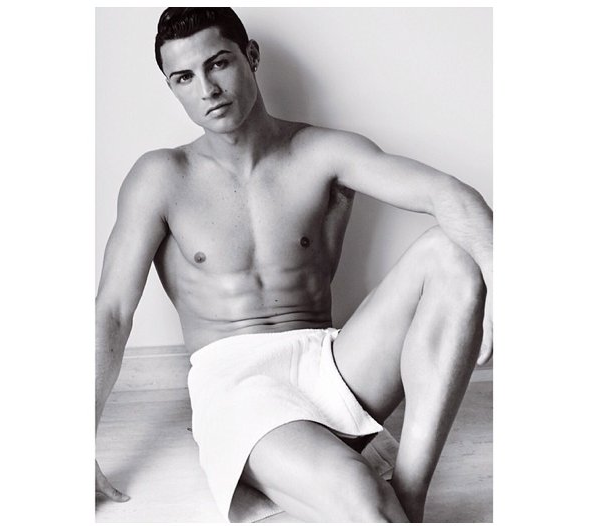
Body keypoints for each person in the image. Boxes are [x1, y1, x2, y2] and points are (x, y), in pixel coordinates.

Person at [96, 7, 493, 523]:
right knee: (360, 497)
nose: (208, 89)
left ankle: (411, 495)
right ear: (171, 87)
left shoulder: (323, 151)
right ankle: (379, 498)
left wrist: (502, 287)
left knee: (452, 249)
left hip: (331, 361)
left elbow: (447, 194)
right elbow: (112, 311)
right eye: (184, 78)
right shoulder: (161, 176)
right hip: (237, 384)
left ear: (251, 56)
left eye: (218, 64)